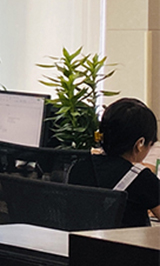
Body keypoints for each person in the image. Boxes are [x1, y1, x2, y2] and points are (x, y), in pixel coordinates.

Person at [68, 97, 160, 227]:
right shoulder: (142, 178)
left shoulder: (79, 167)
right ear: (140, 144)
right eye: (150, 144)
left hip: (82, 240)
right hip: (126, 240)